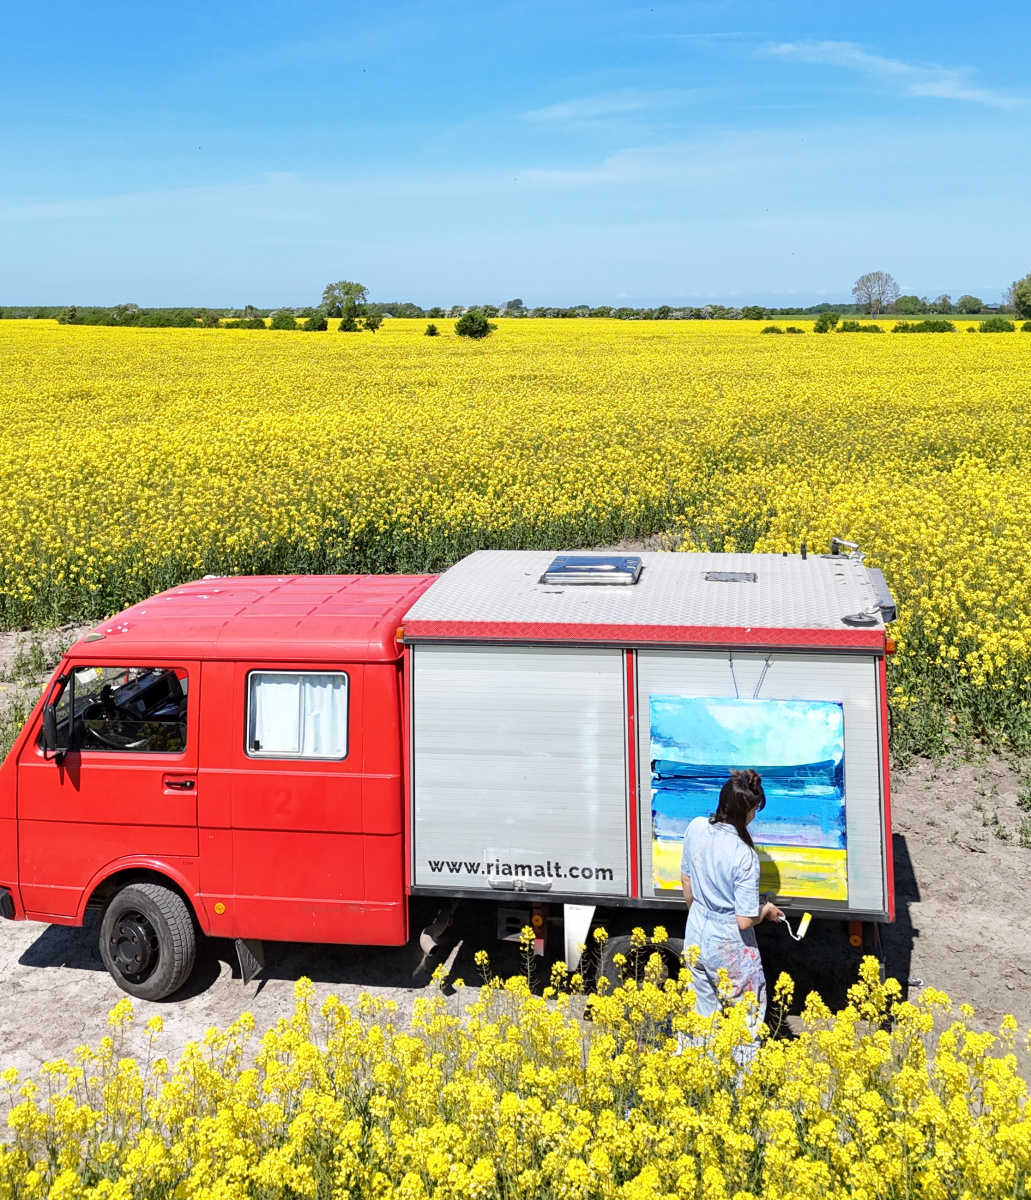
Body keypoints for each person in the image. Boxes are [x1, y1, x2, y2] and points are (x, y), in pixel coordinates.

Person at [681, 769, 783, 1061]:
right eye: (753, 810)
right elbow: (744, 920)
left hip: (696, 928)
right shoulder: (745, 855)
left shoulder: (697, 827)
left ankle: (696, 1083)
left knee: (700, 1018)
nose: (754, 816)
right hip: (728, 942)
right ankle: (740, 1091)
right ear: (745, 812)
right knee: (746, 1021)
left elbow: (686, 881)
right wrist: (766, 910)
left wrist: (701, 917)